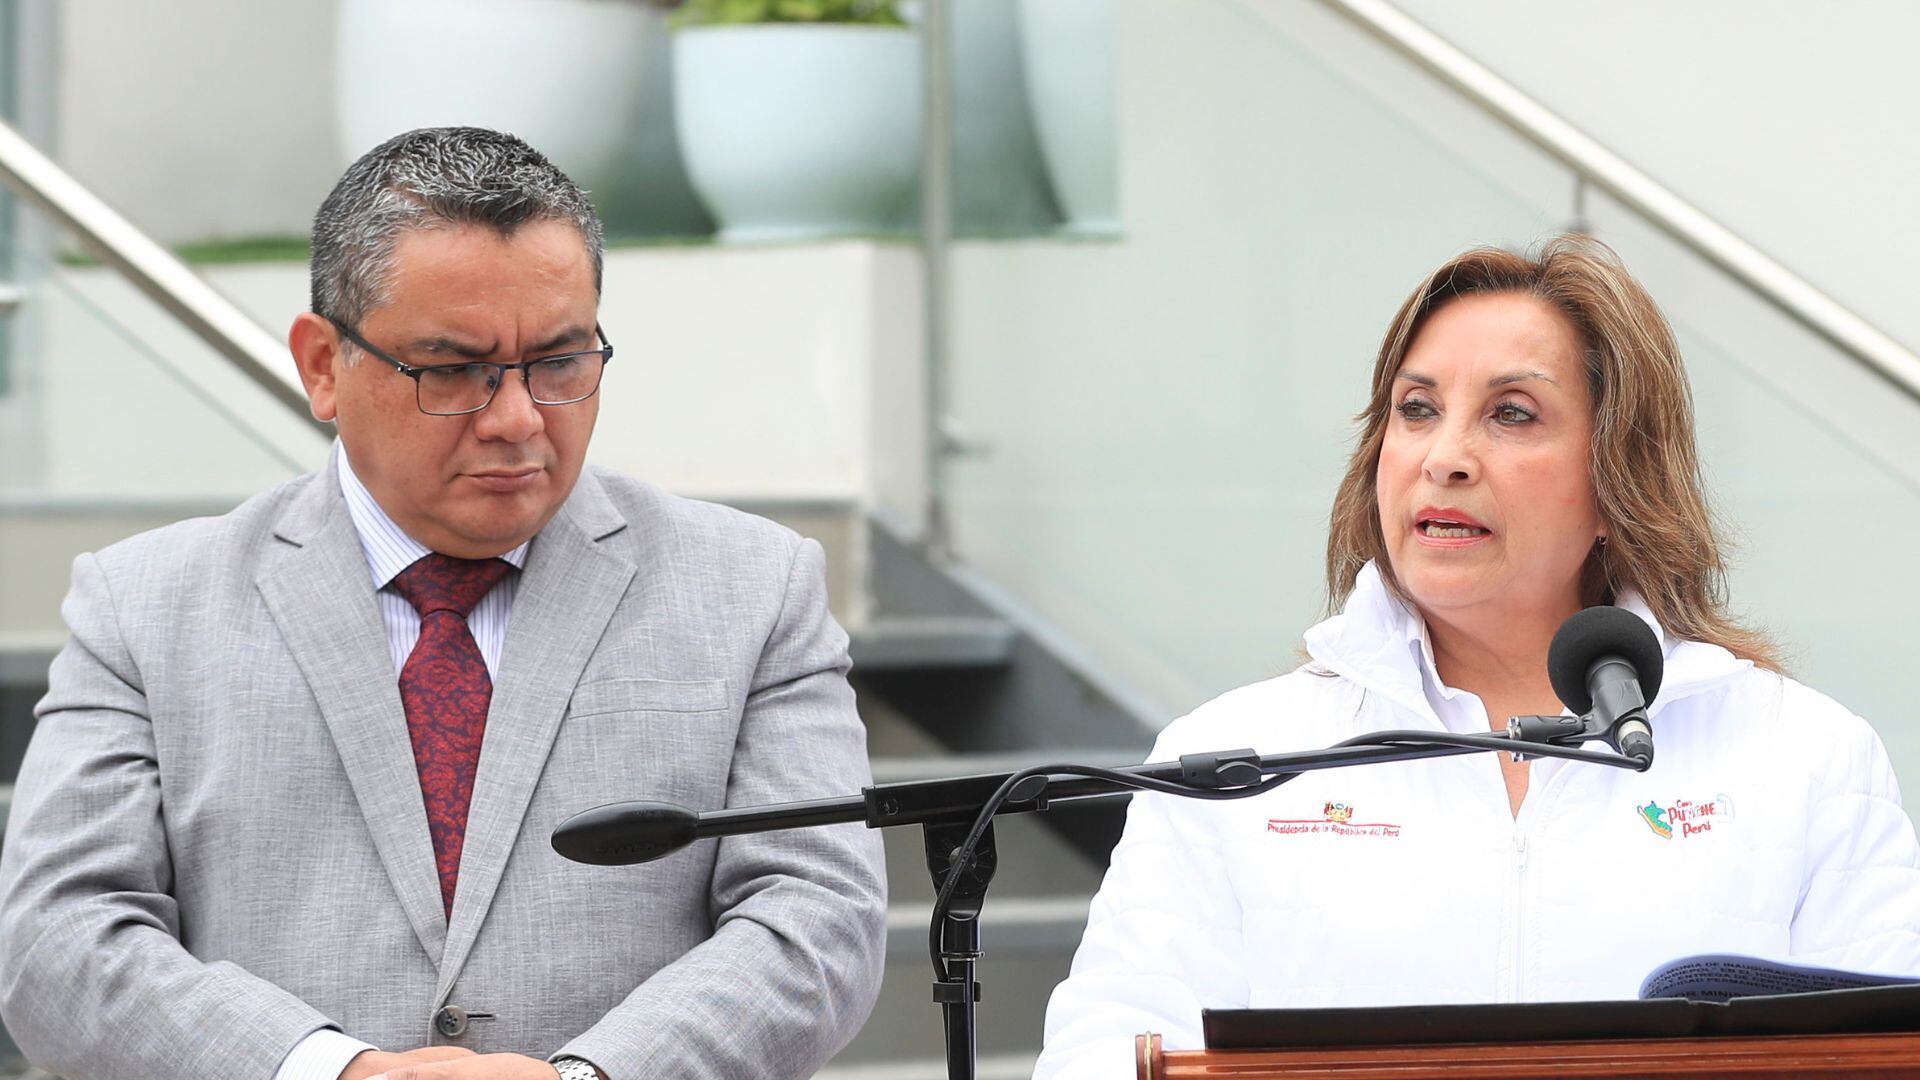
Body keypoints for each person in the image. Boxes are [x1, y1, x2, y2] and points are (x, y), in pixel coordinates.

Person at [0, 127, 886, 1080]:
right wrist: (330, 1072)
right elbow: (61, 935)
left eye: (560, 362)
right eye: (453, 371)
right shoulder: (144, 605)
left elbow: (817, 917)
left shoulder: (754, 588)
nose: (516, 420)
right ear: (323, 367)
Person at [1034, 236, 1920, 1078]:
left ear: (1619, 479)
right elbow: (1111, 1050)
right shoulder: (1233, 762)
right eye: (1416, 410)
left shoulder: (1803, 758)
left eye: (1511, 414)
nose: (1445, 457)